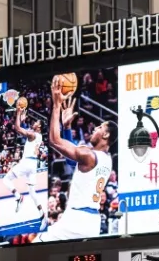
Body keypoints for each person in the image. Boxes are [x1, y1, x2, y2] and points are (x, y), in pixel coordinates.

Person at [36, 74, 115, 242]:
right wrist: (66, 127)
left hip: (77, 218)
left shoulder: (89, 154)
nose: (94, 129)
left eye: (100, 127)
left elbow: (53, 141)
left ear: (106, 134)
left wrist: (56, 105)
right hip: (91, 221)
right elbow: (73, 161)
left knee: (36, 246)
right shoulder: (107, 160)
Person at [1, 106, 45, 215]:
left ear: (39, 126)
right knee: (32, 192)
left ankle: (18, 196)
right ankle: (42, 213)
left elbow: (18, 128)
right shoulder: (39, 136)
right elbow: (23, 128)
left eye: (36, 122)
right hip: (33, 165)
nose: (34, 123)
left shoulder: (33, 134)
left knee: (6, 179)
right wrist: (21, 120)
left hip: (27, 162)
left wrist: (18, 113)